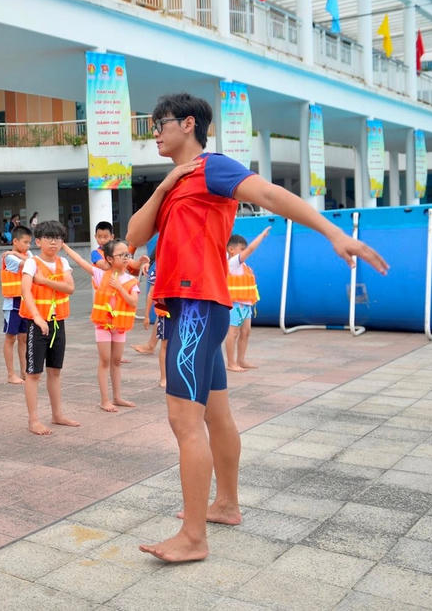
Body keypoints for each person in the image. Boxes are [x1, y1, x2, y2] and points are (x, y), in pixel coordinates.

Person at [126, 92, 387, 564]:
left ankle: (192, 537)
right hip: (194, 306)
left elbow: (270, 195)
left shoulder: (214, 168)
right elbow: (132, 237)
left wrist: (333, 232)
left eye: (159, 123)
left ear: (188, 124)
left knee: (185, 423)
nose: (154, 132)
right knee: (216, 415)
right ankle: (225, 504)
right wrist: (164, 187)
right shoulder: (179, 182)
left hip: (197, 306)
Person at [61, 239, 139, 412]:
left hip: (119, 327)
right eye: (122, 255)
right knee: (105, 361)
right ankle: (105, 400)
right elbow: (81, 262)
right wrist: (65, 246)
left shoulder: (131, 280)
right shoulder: (100, 274)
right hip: (103, 325)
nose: (126, 258)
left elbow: (133, 302)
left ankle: (117, 397)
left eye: (128, 254)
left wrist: (119, 287)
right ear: (110, 259)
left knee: (116, 361)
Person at [19, 220, 79, 435]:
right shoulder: (31, 262)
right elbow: (25, 292)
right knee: (33, 373)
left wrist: (44, 282)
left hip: (58, 322)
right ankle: (33, 419)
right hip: (38, 324)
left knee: (55, 371)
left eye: (58, 238)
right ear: (38, 241)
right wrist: (37, 317)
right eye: (48, 238)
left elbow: (70, 287)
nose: (54, 242)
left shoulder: (63, 262)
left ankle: (57, 414)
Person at [225, 227, 270, 372]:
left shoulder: (243, 266)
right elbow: (251, 249)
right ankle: (231, 363)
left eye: (244, 248)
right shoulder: (233, 262)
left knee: (246, 332)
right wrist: (261, 236)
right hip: (235, 304)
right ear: (231, 249)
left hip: (246, 304)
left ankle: (241, 360)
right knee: (233, 332)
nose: (244, 251)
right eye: (241, 248)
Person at [0, 225, 33, 385]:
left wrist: (16, 252)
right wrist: (13, 253)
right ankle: (10, 374)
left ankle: (24, 371)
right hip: (12, 303)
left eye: (29, 243)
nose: (28, 246)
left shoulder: (24, 254)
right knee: (10, 338)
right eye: (25, 242)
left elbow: (34, 262)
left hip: (25, 302)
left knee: (24, 338)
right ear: (15, 241)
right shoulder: (8, 258)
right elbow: (29, 264)